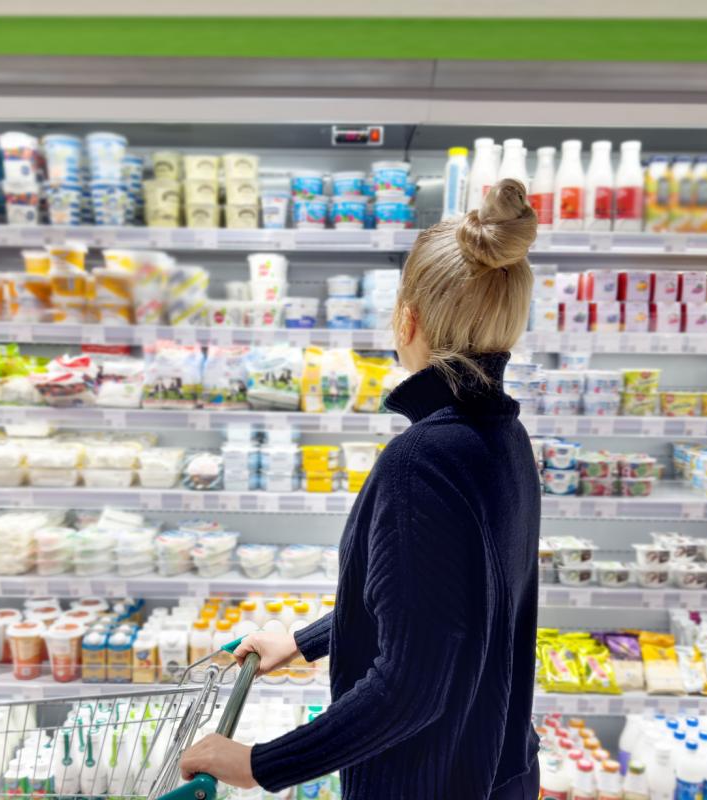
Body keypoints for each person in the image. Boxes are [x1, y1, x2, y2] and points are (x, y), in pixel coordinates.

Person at [178, 178, 542, 799]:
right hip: (492, 765)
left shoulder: (421, 459)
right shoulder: (502, 438)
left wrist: (260, 762)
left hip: (423, 780)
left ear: (408, 319)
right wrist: (303, 641)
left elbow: (410, 686)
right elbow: (444, 612)